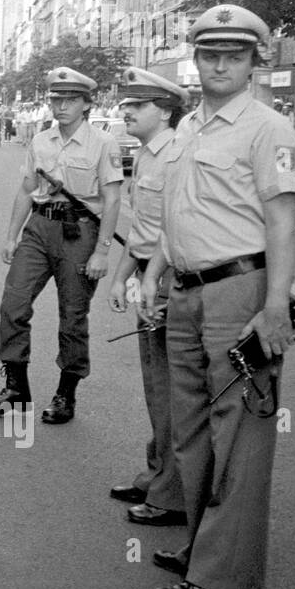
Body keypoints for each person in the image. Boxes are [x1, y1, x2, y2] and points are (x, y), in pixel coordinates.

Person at [140, 4, 295, 589]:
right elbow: (174, 216)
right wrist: (155, 272)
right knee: (193, 430)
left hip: (239, 291)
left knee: (239, 433)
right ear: (196, 59)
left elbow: (281, 223)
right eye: (210, 55)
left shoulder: (269, 128)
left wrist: (276, 304)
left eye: (234, 56)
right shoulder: (186, 128)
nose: (220, 65)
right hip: (185, 291)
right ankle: (204, 546)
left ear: (255, 62)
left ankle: (224, 580)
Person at [0, 66, 122, 424]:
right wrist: (12, 235)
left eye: (70, 100)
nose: (61, 106)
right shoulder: (42, 140)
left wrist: (103, 250)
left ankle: (66, 393)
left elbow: (112, 199)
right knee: (13, 304)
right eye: (56, 99)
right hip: (39, 228)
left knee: (73, 316)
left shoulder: (103, 143)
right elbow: (27, 189)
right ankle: (15, 389)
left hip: (80, 233)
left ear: (86, 104)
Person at [105, 67, 190, 528]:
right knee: (155, 383)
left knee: (173, 388)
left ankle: (173, 493)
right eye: (126, 105)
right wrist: (122, 279)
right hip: (148, 272)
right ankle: (159, 471)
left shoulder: (176, 154)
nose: (127, 113)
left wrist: (153, 281)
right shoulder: (146, 154)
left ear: (165, 110)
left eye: (137, 106)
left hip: (170, 276)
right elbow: (139, 230)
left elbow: (172, 229)